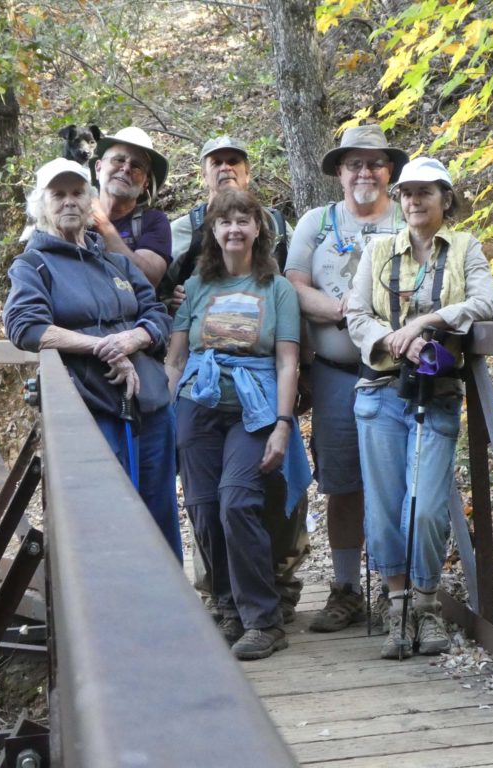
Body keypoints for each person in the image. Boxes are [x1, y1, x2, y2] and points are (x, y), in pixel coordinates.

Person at [346, 157, 493, 659]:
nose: (413, 201)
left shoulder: (466, 248)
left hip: (436, 394)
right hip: (379, 392)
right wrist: (394, 339)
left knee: (426, 506)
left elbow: (485, 303)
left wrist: (428, 322)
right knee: (386, 507)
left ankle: (427, 602)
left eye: (425, 193)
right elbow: (356, 313)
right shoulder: (378, 249)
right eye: (407, 192)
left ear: (444, 199)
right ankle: (399, 608)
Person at [3, 158, 183, 561]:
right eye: (58, 194)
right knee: (107, 518)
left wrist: (132, 338)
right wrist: (100, 346)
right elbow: (25, 326)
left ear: (91, 201)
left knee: (159, 514)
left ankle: (170, 617)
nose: (69, 201)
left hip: (150, 407)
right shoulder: (33, 265)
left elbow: (155, 312)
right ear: (42, 204)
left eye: (77, 192)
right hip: (91, 410)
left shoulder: (115, 262)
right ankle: (114, 617)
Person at [164, 136, 307, 622]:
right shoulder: (197, 288)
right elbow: (176, 356)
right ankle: (226, 605)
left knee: (237, 503)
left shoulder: (279, 288)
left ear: (258, 229)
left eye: (243, 220)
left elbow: (288, 361)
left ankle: (262, 616)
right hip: (198, 405)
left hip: (254, 408)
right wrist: (169, 410)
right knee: (203, 507)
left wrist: (284, 424)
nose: (233, 229)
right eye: (224, 221)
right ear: (212, 229)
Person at [284, 124, 408, 632]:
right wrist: (345, 312)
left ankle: (399, 589)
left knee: (399, 478)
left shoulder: (409, 217)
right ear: (339, 171)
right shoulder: (316, 222)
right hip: (335, 372)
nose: (365, 172)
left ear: (389, 171)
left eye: (375, 162)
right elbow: (292, 285)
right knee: (342, 481)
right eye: (354, 163)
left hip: (398, 370)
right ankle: (346, 588)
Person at [164, 136, 291, 310]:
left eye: (233, 161)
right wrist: (170, 301)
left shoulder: (275, 225)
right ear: (204, 176)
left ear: (247, 173)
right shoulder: (182, 231)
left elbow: (300, 282)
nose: (225, 167)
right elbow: (153, 292)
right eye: (216, 163)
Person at [90, 126, 173, 287]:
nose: (126, 168)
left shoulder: (154, 222)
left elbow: (149, 279)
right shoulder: (73, 213)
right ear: (98, 168)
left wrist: (104, 226)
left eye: (136, 166)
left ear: (145, 184)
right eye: (119, 160)